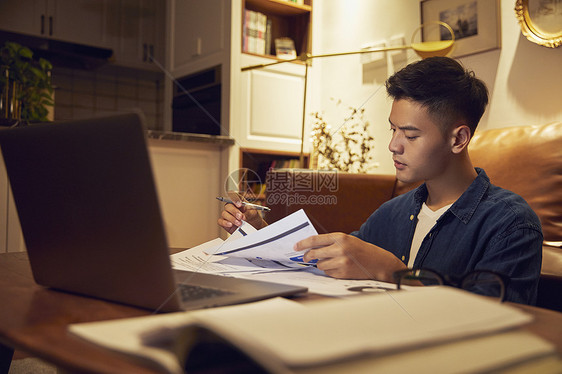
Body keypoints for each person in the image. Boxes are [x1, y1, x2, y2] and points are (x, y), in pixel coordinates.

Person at [218, 57, 543, 305]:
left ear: (458, 139)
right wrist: (259, 230)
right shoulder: (393, 213)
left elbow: (497, 322)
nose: (393, 145)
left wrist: (395, 273)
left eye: (411, 135)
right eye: (393, 129)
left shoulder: (510, 224)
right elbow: (329, 262)